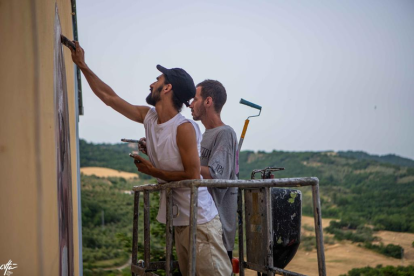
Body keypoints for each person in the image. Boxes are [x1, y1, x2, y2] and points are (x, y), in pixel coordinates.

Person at [70, 42, 231, 276]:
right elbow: (110, 98)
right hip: (181, 222)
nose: (151, 83)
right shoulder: (150, 118)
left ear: (167, 89)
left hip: (201, 222)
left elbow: (191, 174)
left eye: (157, 79)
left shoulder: (184, 128)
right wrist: (82, 65)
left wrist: (152, 171)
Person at [189, 80, 238, 261]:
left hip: (217, 231)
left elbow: (216, 175)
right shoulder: (202, 136)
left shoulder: (224, 133)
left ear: (208, 101)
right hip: (203, 225)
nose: (190, 104)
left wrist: (187, 165)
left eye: (195, 99)